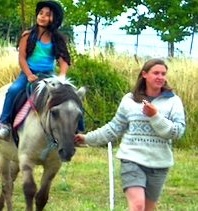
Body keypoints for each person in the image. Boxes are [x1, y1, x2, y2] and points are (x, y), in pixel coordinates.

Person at [74, 58, 185, 211]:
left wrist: (155, 116)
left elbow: (176, 132)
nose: (160, 77)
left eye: (163, 74)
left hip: (159, 163)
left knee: (146, 209)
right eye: (156, 73)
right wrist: (87, 138)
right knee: (138, 206)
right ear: (144, 74)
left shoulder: (173, 101)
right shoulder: (129, 100)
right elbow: (114, 128)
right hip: (132, 159)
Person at [0, 0, 72, 140]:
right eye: (41, 13)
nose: (42, 16)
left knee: (69, 93)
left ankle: (75, 129)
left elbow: (63, 59)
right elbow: (22, 58)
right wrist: (29, 74)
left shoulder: (57, 39)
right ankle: (3, 123)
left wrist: (61, 76)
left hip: (48, 74)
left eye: (47, 14)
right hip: (29, 73)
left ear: (54, 19)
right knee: (13, 90)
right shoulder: (28, 36)